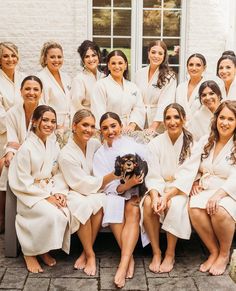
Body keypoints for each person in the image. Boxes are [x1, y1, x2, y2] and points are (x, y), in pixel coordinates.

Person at [165, 100, 236, 276]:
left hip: (229, 191)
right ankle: (213, 251)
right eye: (222, 117)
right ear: (216, 118)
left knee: (219, 210)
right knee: (194, 207)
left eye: (230, 119)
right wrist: (195, 180)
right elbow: (191, 165)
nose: (224, 123)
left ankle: (224, 254)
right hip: (207, 187)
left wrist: (219, 194)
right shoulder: (207, 140)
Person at [8, 105, 70, 273]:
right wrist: (44, 197)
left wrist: (58, 192)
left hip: (49, 188)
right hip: (30, 194)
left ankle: (43, 250)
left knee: (64, 212)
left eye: (53, 121)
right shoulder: (26, 148)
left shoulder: (53, 144)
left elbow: (58, 171)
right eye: (45, 120)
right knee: (51, 214)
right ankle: (29, 252)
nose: (49, 124)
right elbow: (22, 181)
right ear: (34, 122)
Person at [59, 109, 117, 276]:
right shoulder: (66, 154)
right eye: (85, 125)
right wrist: (111, 176)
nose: (89, 130)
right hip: (75, 190)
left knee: (98, 204)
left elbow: (102, 164)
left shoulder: (94, 144)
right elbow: (80, 183)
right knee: (83, 205)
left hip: (96, 190)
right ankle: (91, 255)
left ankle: (86, 252)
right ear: (74, 126)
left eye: (92, 126)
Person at [93, 112, 146, 288]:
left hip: (134, 191)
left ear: (120, 126)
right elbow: (102, 184)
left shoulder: (132, 145)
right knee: (113, 205)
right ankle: (128, 259)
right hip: (114, 192)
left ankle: (122, 265)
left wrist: (134, 185)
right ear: (100, 131)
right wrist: (123, 186)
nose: (110, 131)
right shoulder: (100, 153)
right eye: (105, 128)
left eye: (113, 125)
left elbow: (146, 168)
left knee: (133, 210)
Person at [141, 103, 193, 273]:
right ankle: (156, 252)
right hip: (159, 186)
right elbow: (153, 175)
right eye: (168, 118)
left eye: (176, 117)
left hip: (178, 189)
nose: (172, 122)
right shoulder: (155, 144)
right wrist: (156, 197)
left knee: (174, 205)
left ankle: (170, 253)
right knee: (149, 204)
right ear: (163, 121)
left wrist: (167, 197)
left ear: (184, 119)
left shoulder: (190, 143)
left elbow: (187, 174)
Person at [0, 76, 43, 232]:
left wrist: (17, 147)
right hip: (18, 154)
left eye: (35, 89)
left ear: (41, 92)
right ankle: (6, 218)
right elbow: (11, 140)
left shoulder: (45, 112)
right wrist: (10, 153)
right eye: (27, 89)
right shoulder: (12, 112)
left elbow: (43, 141)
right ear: (20, 91)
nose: (31, 92)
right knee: (6, 167)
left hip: (41, 156)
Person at [91, 50, 145, 131]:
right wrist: (116, 127)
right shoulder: (100, 85)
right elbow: (98, 112)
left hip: (129, 131)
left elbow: (139, 108)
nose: (117, 66)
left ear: (125, 65)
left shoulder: (133, 86)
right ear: (108, 66)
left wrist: (132, 125)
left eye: (120, 63)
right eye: (113, 63)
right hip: (109, 131)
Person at [135, 40, 176, 133]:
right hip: (139, 119)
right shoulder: (139, 73)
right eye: (153, 52)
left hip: (158, 123)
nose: (156, 56)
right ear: (148, 53)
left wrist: (153, 127)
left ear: (164, 56)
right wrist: (134, 122)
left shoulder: (170, 76)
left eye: (160, 53)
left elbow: (165, 103)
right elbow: (135, 100)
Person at [37, 41, 71, 144]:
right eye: (52, 57)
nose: (56, 60)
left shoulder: (66, 77)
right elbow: (41, 106)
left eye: (59, 57)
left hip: (68, 128)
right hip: (51, 128)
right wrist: (54, 125)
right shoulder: (40, 78)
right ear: (45, 59)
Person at [0, 42, 25, 157]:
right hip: (5, 136)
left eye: (13, 55)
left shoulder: (24, 78)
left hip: (25, 133)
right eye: (5, 56)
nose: (10, 59)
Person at [71, 40, 104, 114]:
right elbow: (76, 106)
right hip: (88, 121)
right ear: (83, 60)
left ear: (98, 56)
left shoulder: (104, 77)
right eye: (87, 56)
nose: (91, 59)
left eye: (93, 55)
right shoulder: (79, 80)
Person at [176, 53, 207, 121]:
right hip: (182, 128)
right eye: (191, 65)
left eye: (198, 65)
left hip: (201, 128)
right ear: (187, 67)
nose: (194, 68)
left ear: (204, 68)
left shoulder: (208, 88)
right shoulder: (180, 87)